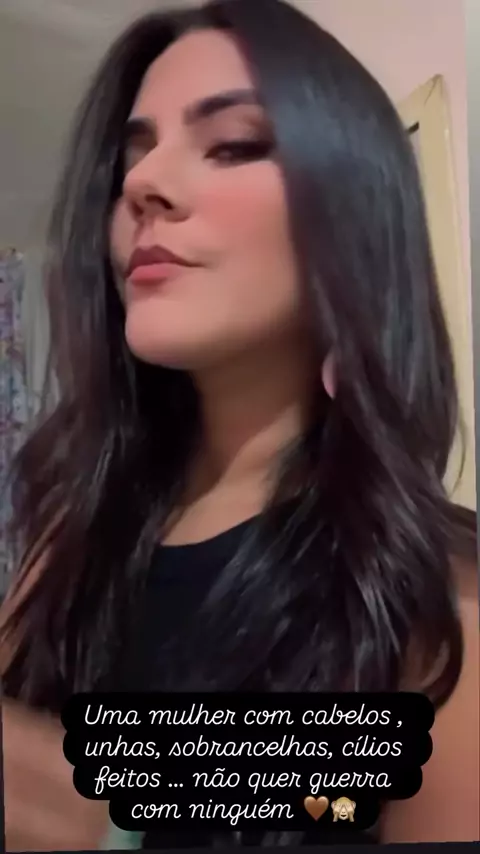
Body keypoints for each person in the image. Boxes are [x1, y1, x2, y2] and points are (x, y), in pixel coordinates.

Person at [1, 0, 478, 849]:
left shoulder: (442, 609)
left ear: (353, 215)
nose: (142, 185)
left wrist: (107, 828)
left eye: (233, 144)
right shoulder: (68, 545)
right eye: (132, 155)